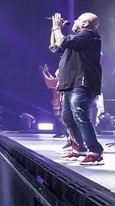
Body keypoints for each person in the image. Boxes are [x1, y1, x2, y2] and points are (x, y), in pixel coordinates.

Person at [49, 12, 104, 165]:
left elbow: (61, 40)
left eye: (78, 19)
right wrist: (54, 29)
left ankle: (95, 151)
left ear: (85, 24)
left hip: (82, 81)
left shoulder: (89, 35)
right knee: (67, 117)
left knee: (79, 114)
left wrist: (56, 28)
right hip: (69, 82)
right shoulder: (76, 41)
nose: (74, 21)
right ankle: (78, 148)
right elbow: (55, 46)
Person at [40, 65, 67, 141]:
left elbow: (49, 81)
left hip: (59, 100)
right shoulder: (59, 80)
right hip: (56, 99)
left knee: (58, 117)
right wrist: (46, 72)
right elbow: (52, 79)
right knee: (56, 117)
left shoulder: (61, 81)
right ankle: (60, 132)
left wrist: (43, 72)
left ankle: (64, 132)